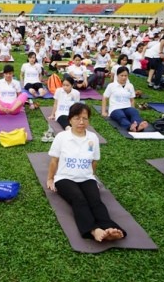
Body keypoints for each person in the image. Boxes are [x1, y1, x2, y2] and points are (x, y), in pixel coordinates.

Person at [47, 103, 126, 242]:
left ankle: (109, 227)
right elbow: (54, 161)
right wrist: (50, 179)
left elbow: (94, 162)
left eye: (85, 118)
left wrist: (92, 177)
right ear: (70, 119)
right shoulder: (61, 137)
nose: (81, 122)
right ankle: (93, 230)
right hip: (65, 178)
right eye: (77, 118)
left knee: (96, 200)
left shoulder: (93, 138)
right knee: (79, 199)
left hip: (86, 178)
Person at [102, 67, 148, 132]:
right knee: (121, 115)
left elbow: (132, 99)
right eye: (122, 75)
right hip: (115, 108)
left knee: (134, 113)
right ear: (117, 75)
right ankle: (130, 127)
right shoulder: (111, 85)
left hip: (127, 107)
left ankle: (138, 126)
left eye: (125, 76)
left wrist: (133, 109)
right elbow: (104, 98)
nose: (124, 77)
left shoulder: (130, 86)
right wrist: (103, 112)